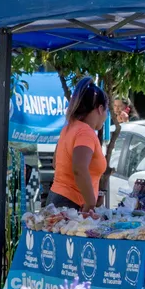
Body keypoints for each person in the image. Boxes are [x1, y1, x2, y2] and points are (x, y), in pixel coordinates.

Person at [48, 78, 108, 212]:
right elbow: (79, 168)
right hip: (72, 205)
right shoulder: (85, 132)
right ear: (100, 108)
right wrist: (90, 202)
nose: (105, 117)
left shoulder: (69, 128)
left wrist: (91, 191)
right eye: (106, 112)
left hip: (56, 198)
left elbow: (55, 163)